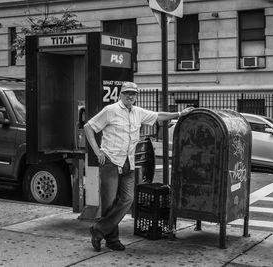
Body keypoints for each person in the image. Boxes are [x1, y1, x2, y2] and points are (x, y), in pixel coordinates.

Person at [83, 81, 193, 252]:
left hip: (128, 162)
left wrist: (179, 113)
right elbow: (88, 127)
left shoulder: (138, 113)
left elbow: (158, 116)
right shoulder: (110, 110)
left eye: (133, 94)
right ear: (121, 94)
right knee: (109, 204)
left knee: (128, 199)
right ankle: (112, 240)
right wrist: (97, 151)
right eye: (127, 93)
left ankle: (99, 229)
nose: (130, 96)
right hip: (111, 161)